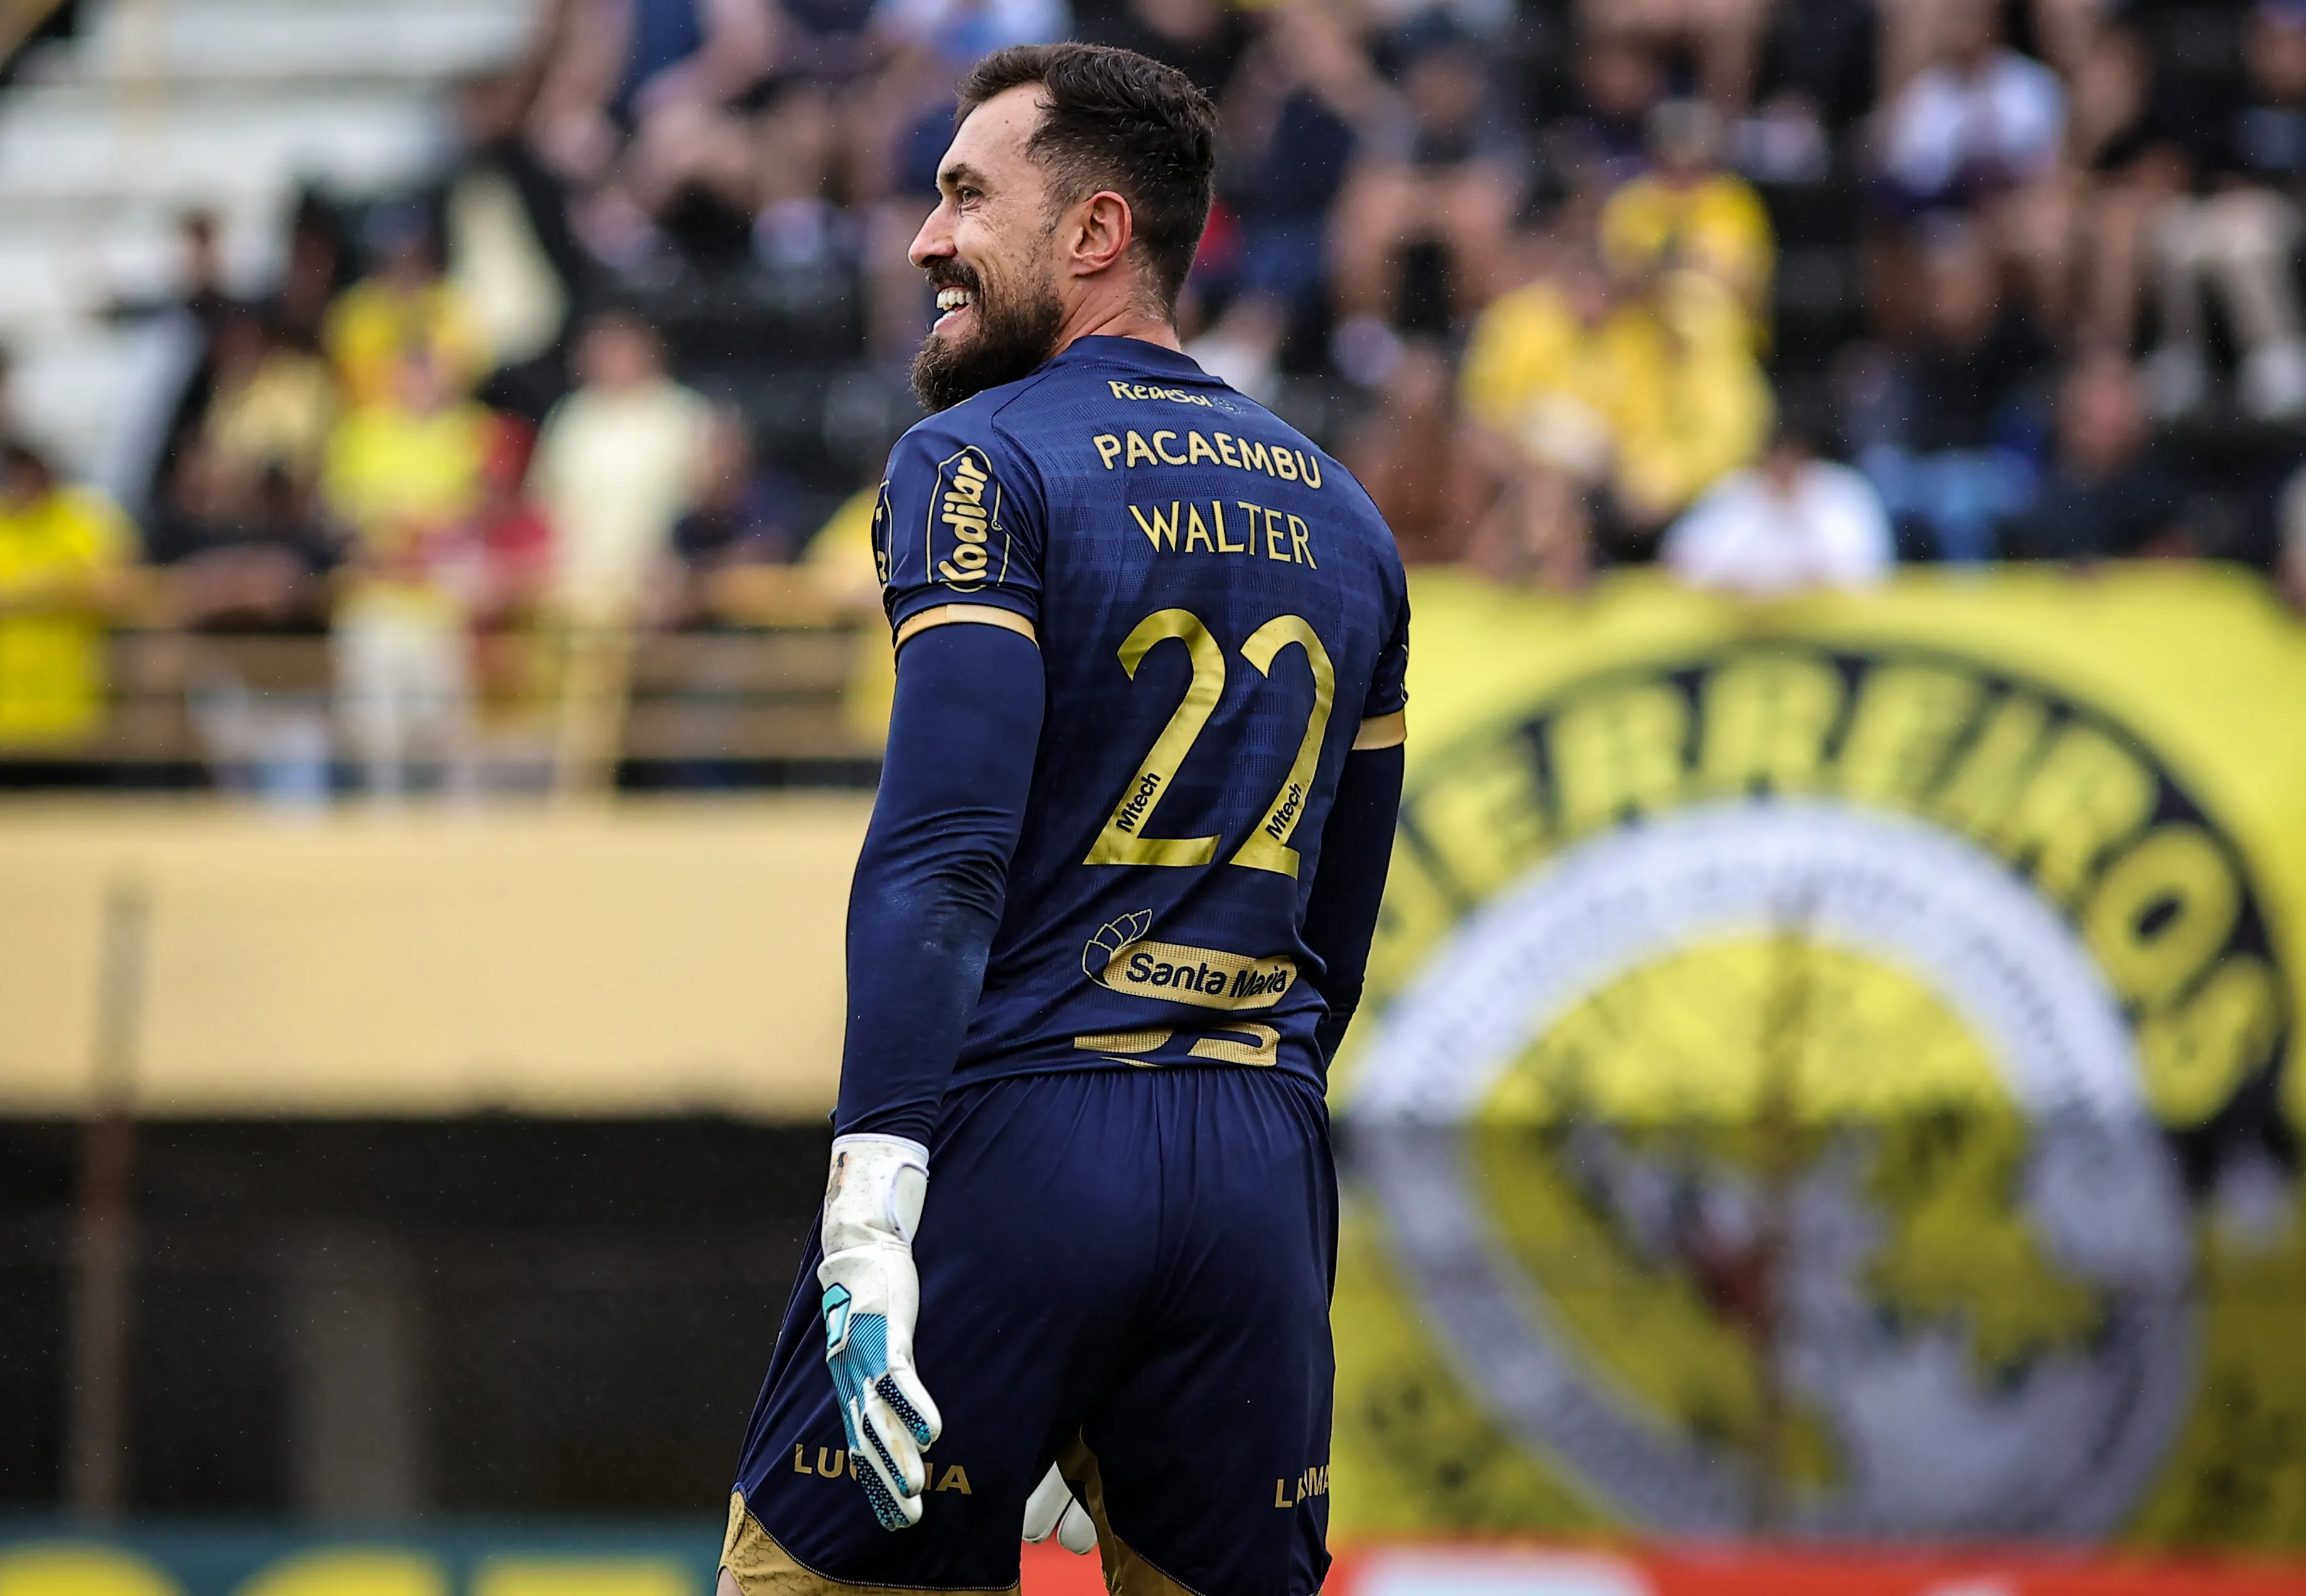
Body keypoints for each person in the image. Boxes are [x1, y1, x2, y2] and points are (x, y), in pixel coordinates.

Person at [720, 43, 1409, 1596]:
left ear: (1097, 231)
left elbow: (945, 855)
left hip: (1021, 1144)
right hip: (1256, 1166)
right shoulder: (1348, 517)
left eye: (967, 193)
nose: (925, 237)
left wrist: (875, 1211)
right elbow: (1339, 936)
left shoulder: (973, 461)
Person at [1662, 396, 1894, 593]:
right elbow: (1682, 562)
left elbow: (1870, 569)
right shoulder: (1734, 489)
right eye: (1776, 456)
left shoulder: (1843, 491)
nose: (1783, 466)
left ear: (1807, 453)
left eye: (1791, 455)